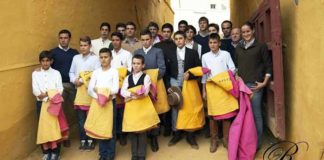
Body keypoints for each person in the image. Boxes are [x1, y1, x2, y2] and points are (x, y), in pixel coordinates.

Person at [236, 22, 272, 148]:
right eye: (243, 32)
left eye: (248, 31)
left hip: (255, 86)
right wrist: (237, 77)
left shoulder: (261, 46)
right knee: (244, 114)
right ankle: (247, 142)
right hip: (241, 86)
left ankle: (257, 145)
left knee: (256, 114)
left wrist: (264, 83)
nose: (245, 34)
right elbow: (237, 66)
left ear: (253, 31)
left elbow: (268, 65)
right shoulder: (238, 47)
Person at [121, 54, 160, 160]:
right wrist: (132, 94)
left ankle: (141, 154)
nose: (136, 66)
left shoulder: (146, 77)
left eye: (138, 64)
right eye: (134, 63)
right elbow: (122, 91)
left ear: (143, 65)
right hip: (131, 108)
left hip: (143, 107)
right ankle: (134, 154)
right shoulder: (127, 77)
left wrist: (130, 94)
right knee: (133, 130)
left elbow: (146, 92)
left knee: (142, 130)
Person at [201, 33, 236, 153]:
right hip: (211, 88)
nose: (212, 45)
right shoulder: (205, 56)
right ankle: (214, 140)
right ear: (208, 44)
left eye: (215, 42)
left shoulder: (226, 54)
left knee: (226, 115)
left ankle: (226, 140)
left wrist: (222, 78)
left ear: (219, 43)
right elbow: (204, 75)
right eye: (210, 43)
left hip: (224, 87)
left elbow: (232, 68)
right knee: (212, 116)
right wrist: (204, 90)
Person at [167, 31, 201, 149]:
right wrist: (168, 86)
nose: (178, 41)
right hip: (175, 82)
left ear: (185, 39)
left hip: (189, 84)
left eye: (180, 38)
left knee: (189, 107)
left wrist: (191, 76)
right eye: (176, 39)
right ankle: (176, 133)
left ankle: (190, 135)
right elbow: (167, 71)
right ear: (174, 40)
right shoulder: (170, 53)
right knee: (175, 107)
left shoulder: (193, 53)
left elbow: (198, 69)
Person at [134, 29, 167, 152]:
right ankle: (145, 135)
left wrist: (148, 80)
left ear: (152, 39)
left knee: (155, 111)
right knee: (143, 111)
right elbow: (134, 69)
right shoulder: (137, 52)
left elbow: (162, 69)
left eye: (147, 39)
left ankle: (154, 137)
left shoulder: (158, 51)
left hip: (154, 86)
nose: (145, 42)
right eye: (142, 40)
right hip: (140, 87)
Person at [86, 48, 119, 160]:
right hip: (97, 103)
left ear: (111, 58)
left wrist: (100, 91)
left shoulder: (114, 71)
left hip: (110, 102)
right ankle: (102, 154)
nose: (103, 59)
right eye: (101, 57)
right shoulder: (96, 72)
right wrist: (100, 97)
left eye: (106, 57)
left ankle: (110, 154)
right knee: (100, 127)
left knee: (110, 127)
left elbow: (115, 89)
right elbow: (90, 89)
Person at [32, 51, 66, 160]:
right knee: (43, 128)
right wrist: (45, 96)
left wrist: (48, 95)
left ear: (51, 61)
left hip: (54, 103)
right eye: (43, 61)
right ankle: (46, 152)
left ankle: (56, 152)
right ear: (40, 62)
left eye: (47, 61)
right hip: (41, 103)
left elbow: (60, 89)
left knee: (55, 127)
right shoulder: (35, 74)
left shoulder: (56, 73)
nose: (45, 63)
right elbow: (35, 90)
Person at [69, 36, 101, 151]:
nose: (83, 48)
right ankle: (83, 140)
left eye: (85, 45)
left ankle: (91, 139)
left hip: (90, 92)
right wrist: (74, 80)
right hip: (79, 91)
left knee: (90, 117)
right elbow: (71, 72)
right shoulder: (76, 58)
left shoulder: (95, 59)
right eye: (81, 45)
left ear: (90, 46)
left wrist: (82, 80)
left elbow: (96, 74)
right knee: (81, 118)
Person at [50, 29, 78, 147]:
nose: (63, 40)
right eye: (61, 38)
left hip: (73, 85)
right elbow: (46, 65)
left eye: (65, 38)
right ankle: (64, 136)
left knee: (77, 110)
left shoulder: (75, 53)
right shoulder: (53, 52)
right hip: (59, 87)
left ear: (69, 39)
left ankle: (83, 135)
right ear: (59, 39)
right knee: (61, 112)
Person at [154, 23, 177, 137]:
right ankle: (157, 127)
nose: (166, 33)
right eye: (164, 32)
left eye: (168, 31)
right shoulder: (157, 46)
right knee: (158, 101)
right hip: (159, 77)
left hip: (171, 77)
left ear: (171, 32)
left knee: (170, 101)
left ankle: (169, 128)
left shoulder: (175, 44)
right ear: (162, 33)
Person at [110, 31, 133, 146]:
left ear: (121, 41)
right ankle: (115, 134)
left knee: (122, 112)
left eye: (117, 40)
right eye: (113, 40)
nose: (115, 42)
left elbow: (130, 69)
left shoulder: (127, 54)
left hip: (123, 85)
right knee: (113, 112)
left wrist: (121, 77)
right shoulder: (109, 54)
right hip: (111, 87)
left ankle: (123, 134)